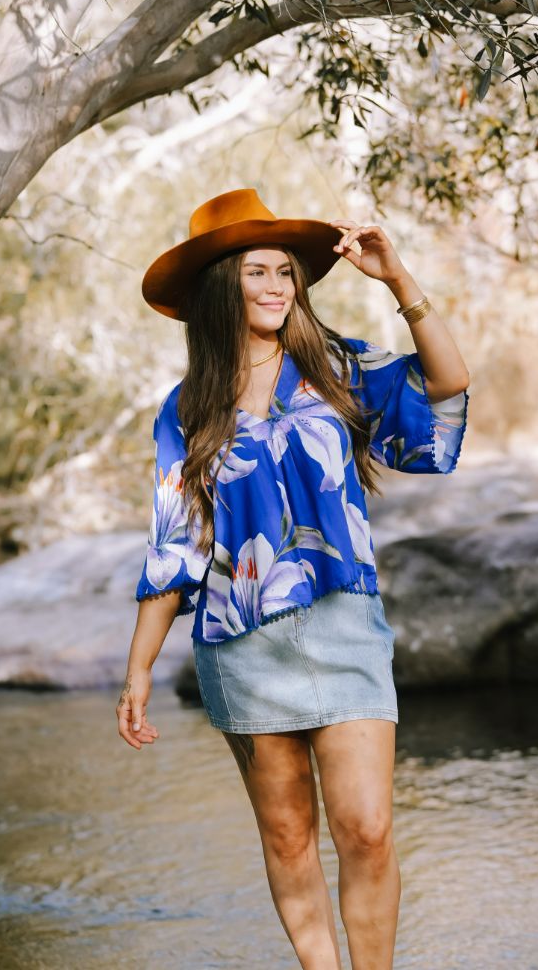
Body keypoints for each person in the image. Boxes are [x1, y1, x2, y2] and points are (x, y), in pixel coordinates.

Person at [116, 188, 470, 970]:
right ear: (220, 289)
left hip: (344, 624)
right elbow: (174, 545)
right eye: (256, 273)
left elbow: (444, 385)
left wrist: (399, 280)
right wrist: (138, 670)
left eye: (285, 273)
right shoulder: (185, 411)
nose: (277, 287)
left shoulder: (333, 364)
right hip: (241, 643)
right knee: (288, 837)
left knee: (368, 830)